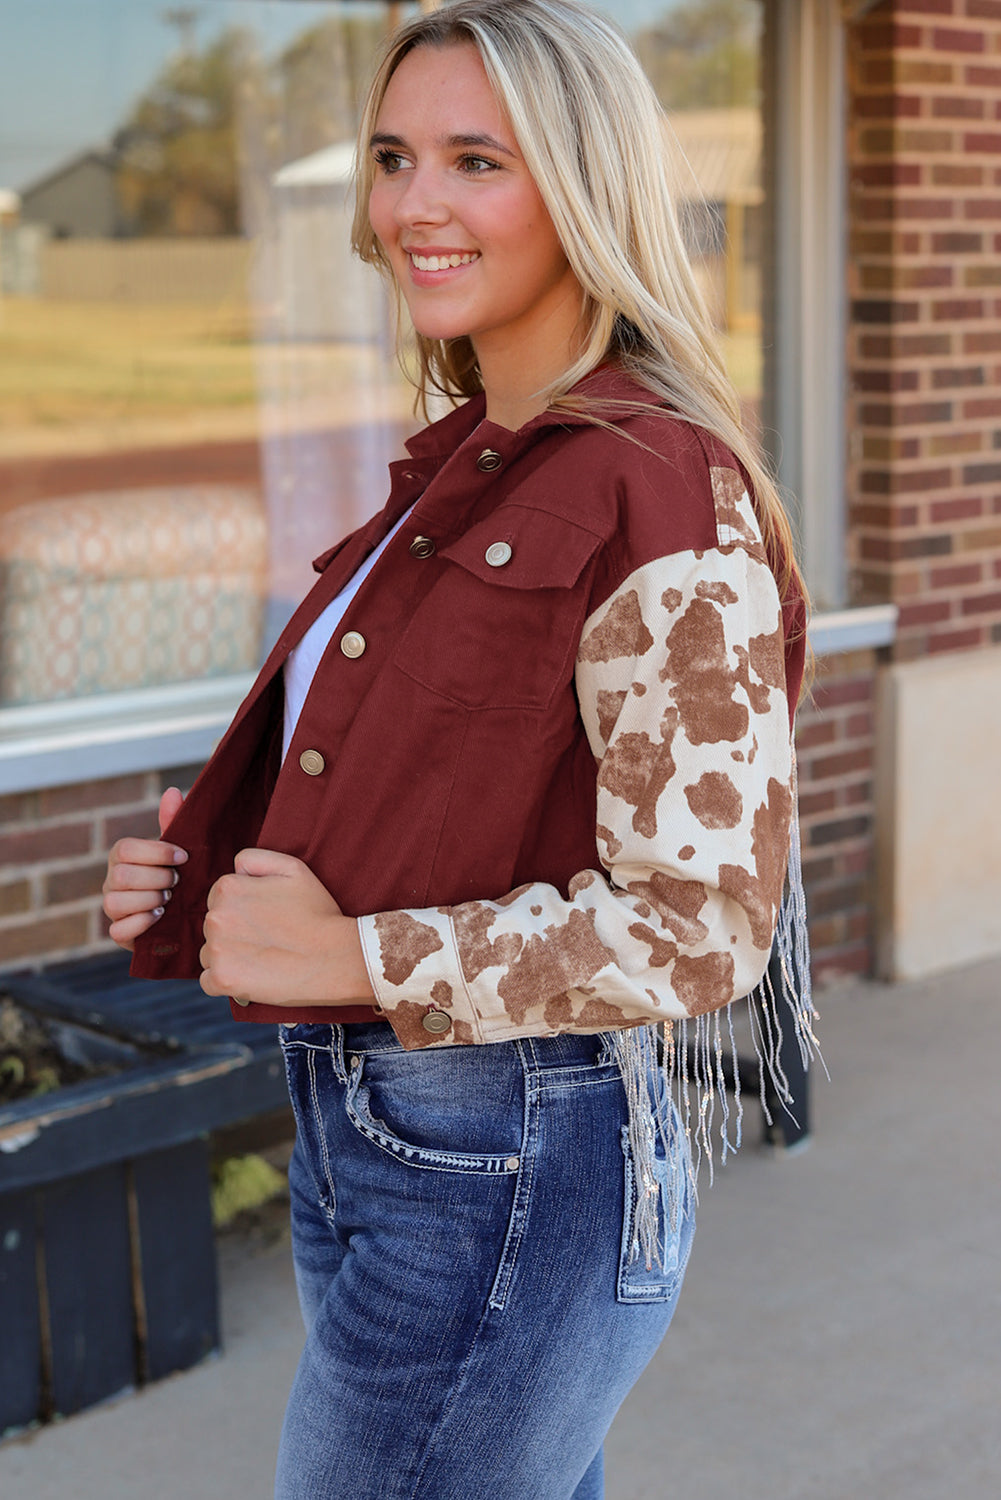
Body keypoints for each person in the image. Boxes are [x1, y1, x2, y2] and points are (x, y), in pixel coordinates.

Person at [102, 3, 811, 1496]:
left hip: (509, 1168)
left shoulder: (656, 485)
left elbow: (703, 924)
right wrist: (209, 877)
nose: (413, 205)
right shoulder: (465, 472)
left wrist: (355, 958)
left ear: (581, 185)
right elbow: (466, 785)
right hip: (372, 1138)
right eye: (391, 156)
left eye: (475, 160)